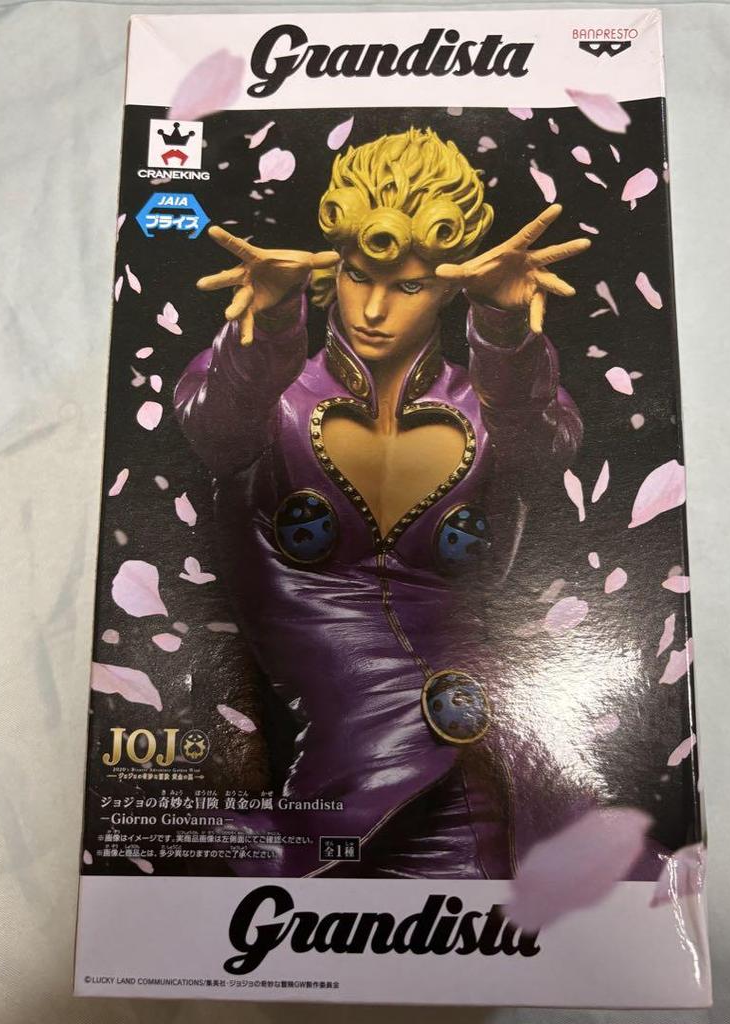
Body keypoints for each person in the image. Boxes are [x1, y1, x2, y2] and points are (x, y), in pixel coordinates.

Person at [174, 127, 589, 879]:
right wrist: (270, 323)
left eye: (409, 286)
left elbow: (542, 448)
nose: (373, 307)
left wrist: (502, 329)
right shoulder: (273, 399)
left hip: (482, 773)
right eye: (359, 275)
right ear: (335, 266)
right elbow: (215, 425)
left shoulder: (488, 408)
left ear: (450, 288)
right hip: (334, 785)